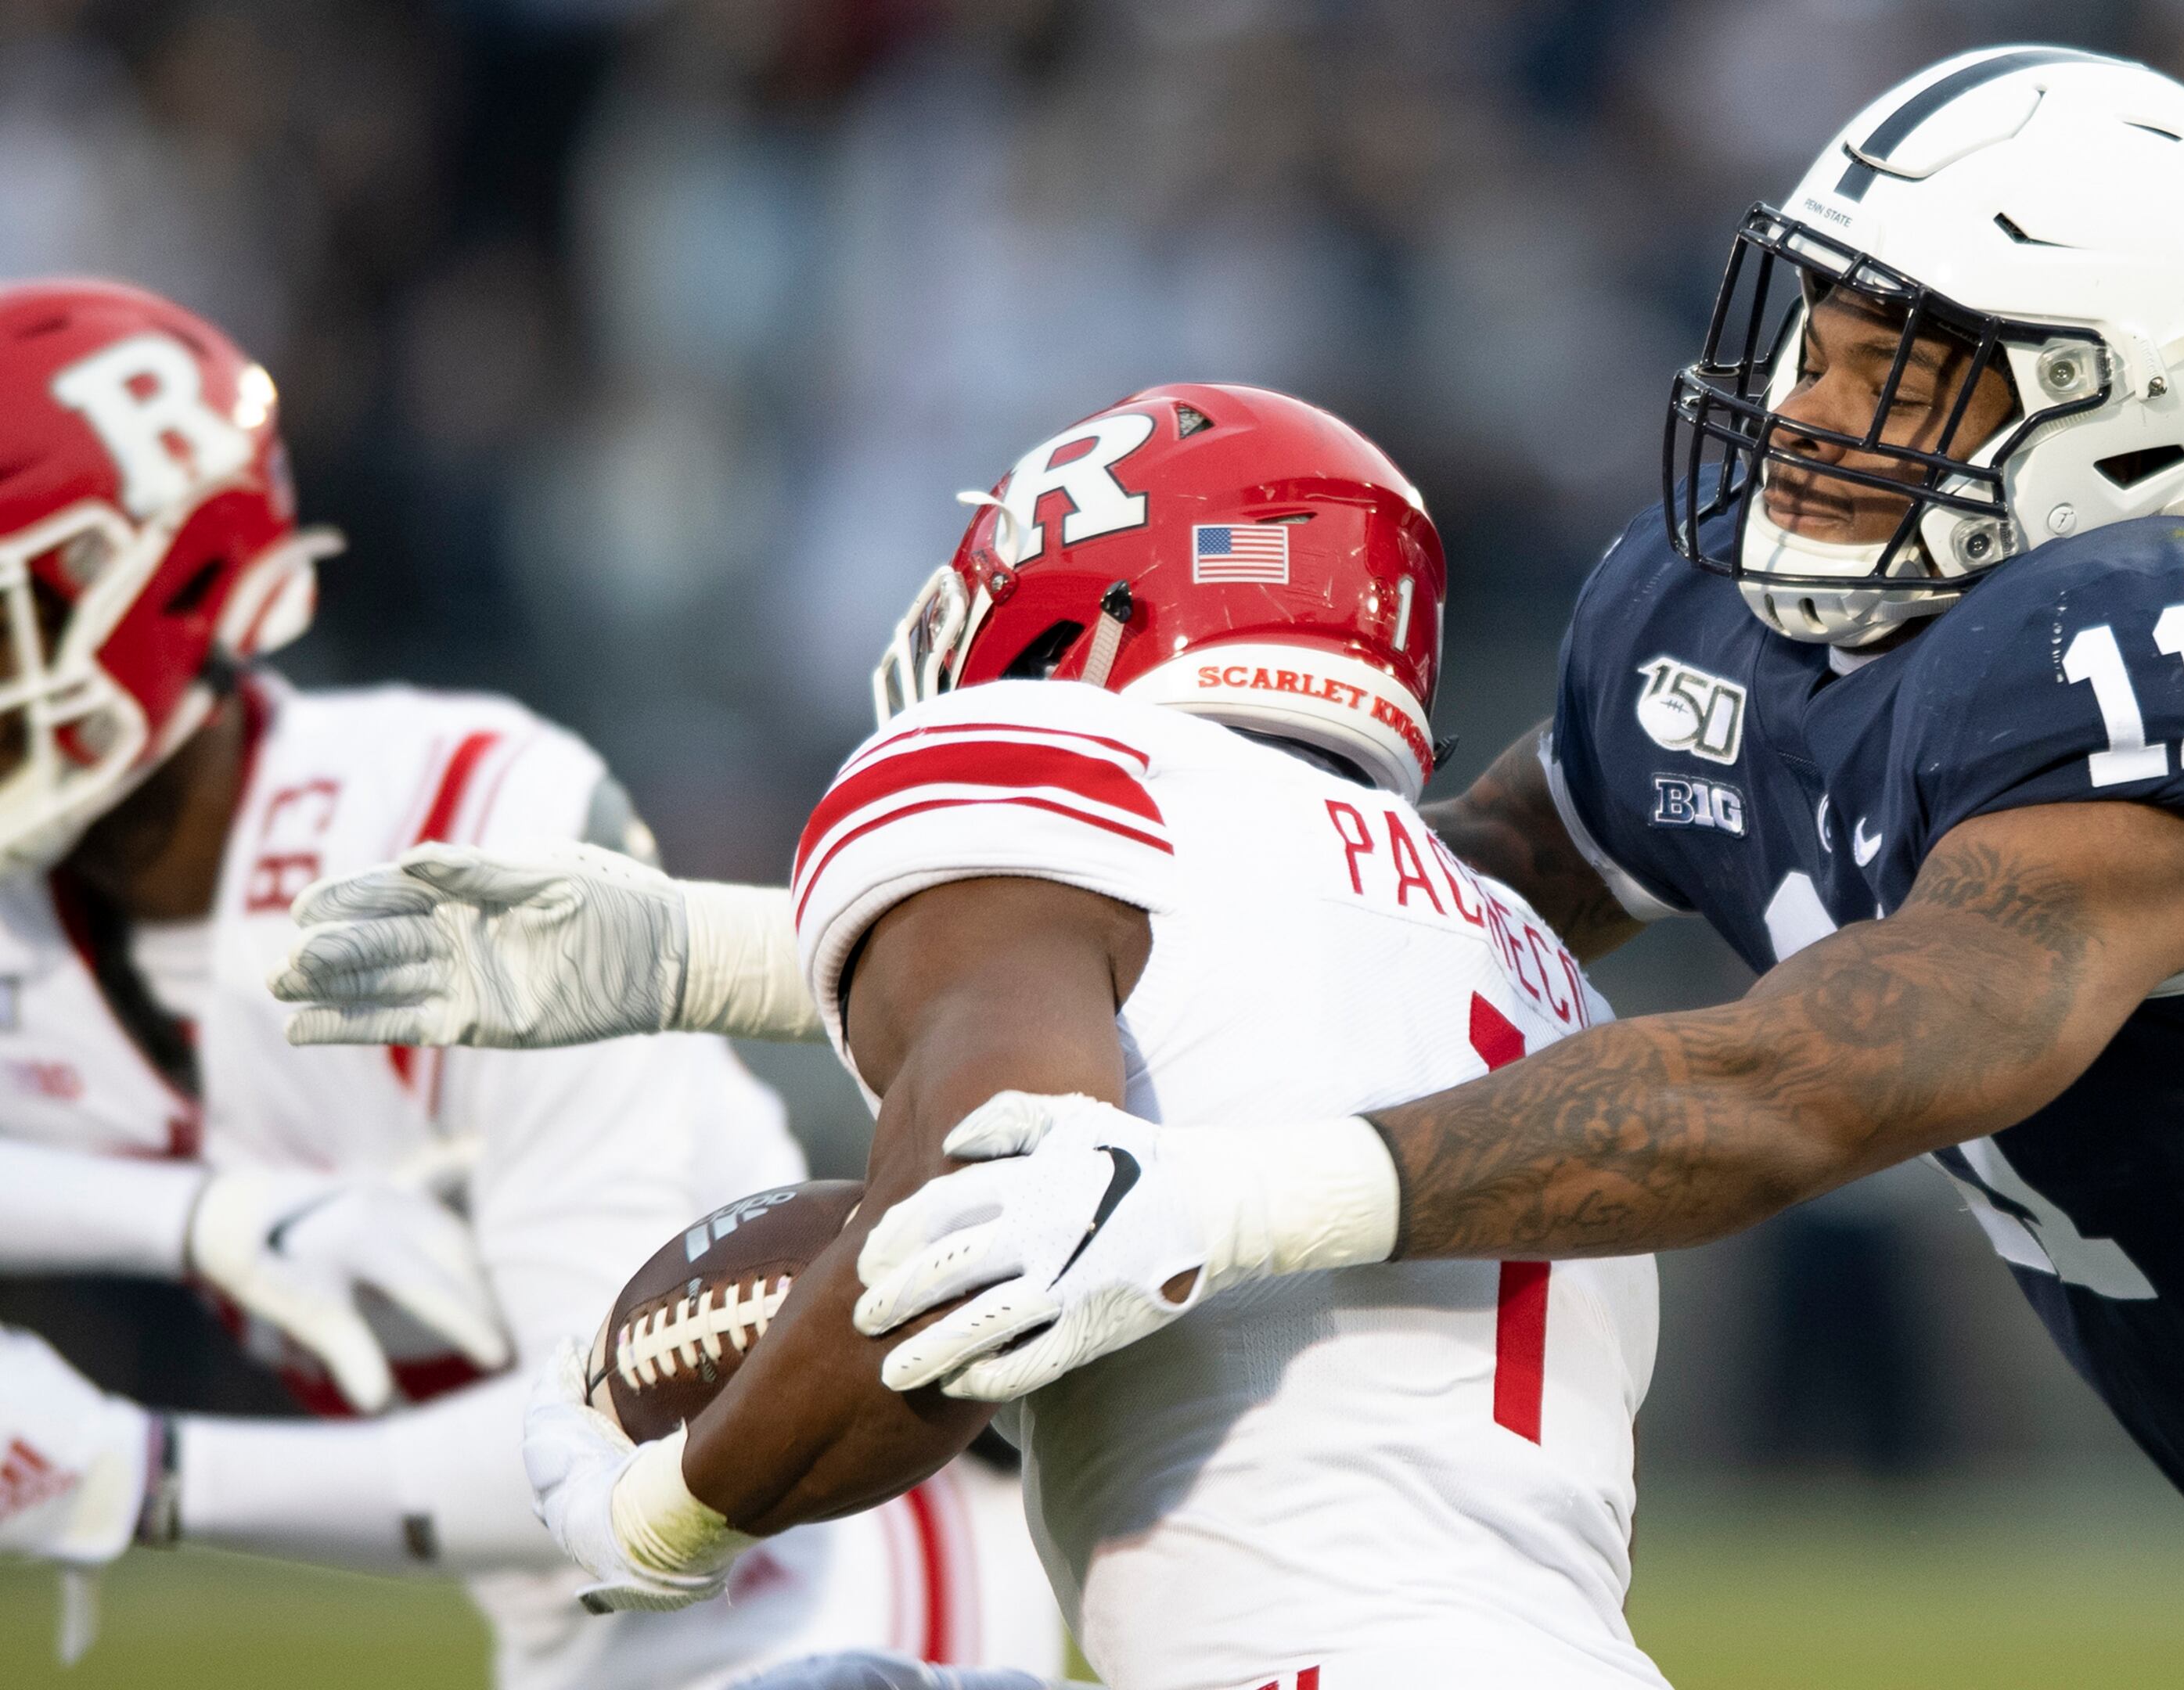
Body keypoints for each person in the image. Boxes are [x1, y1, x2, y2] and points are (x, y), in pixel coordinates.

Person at [268, 49, 2184, 1690]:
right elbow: (1369, 913)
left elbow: (1857, 1060)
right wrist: (729, 946)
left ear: (2134, 421)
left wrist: (1244, 1196)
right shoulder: (1703, 620)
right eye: (1821, 323)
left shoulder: (2174, 643)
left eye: (1921, 363)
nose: (1821, 402)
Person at [279, 384, 1670, 1690]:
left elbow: (964, 1258)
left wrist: (667, 1510)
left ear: (1085, 610)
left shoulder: (1049, 775)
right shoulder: (1525, 961)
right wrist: (688, 953)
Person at [0, 279, 1063, 1688]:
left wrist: (140, 1475)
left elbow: (624, 1436)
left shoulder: (452, 822)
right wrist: (195, 1219)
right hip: (570, 1634)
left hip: (816, 1578)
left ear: (170, 582)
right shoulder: (35, 911)